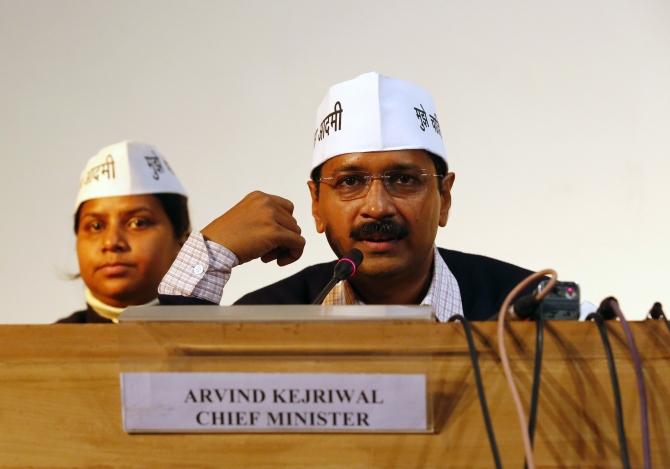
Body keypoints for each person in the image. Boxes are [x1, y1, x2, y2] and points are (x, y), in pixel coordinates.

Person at [158, 72, 534, 321]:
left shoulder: (527, 306)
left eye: (403, 180)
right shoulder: (271, 315)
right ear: (316, 205)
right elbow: (161, 395)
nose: (377, 207)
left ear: (444, 198)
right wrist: (211, 254)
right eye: (350, 182)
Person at [57, 141, 190, 323]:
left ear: (182, 241)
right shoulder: (36, 348)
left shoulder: (222, 339)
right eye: (96, 226)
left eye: (138, 223)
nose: (111, 242)